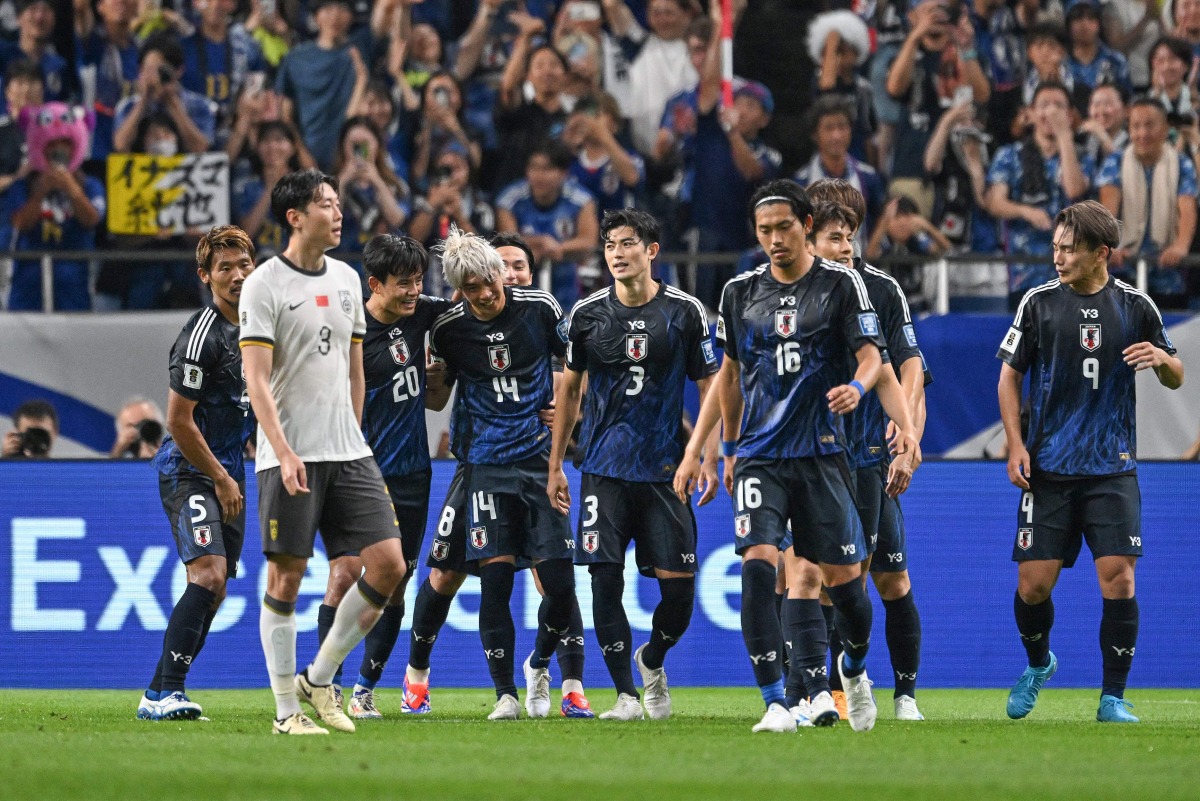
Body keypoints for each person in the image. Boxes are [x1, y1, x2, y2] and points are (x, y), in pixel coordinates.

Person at [674, 179, 917, 734]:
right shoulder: (739, 292)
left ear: (805, 225)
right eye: (764, 231)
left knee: (850, 592)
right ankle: (779, 702)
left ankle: (852, 670)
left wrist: (864, 393)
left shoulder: (842, 287)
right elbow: (729, 376)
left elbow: (873, 357)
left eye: (784, 227)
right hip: (763, 454)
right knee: (762, 568)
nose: (775, 239)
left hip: (824, 455)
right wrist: (708, 451)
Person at [996, 200, 1184, 723]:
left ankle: (1112, 697)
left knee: (1118, 578)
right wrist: (1016, 444)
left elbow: (1177, 373)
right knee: (1033, 587)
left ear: (1101, 253)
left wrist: (1162, 360)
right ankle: (1039, 664)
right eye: (1055, 247)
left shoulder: (1135, 306)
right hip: (1049, 470)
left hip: (1112, 467)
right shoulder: (1036, 304)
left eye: (1068, 249)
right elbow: (1009, 376)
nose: (1057, 256)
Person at [240, 168, 407, 735]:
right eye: (327, 205)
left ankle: (320, 677)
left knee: (389, 565)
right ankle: (288, 711)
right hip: (289, 454)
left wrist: (354, 433)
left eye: (338, 204)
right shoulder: (264, 284)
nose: (339, 214)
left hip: (347, 451)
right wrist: (283, 451)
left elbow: (355, 370)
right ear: (295, 216)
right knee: (285, 579)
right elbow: (256, 380)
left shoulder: (346, 279)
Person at [402, 232, 591, 719]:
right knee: (465, 577)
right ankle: (492, 691)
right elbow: (437, 399)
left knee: (560, 584)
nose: (485, 292)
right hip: (480, 465)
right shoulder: (447, 328)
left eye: (490, 280)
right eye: (471, 287)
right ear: (457, 289)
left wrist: (565, 407)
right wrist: (429, 377)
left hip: (537, 464)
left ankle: (548, 670)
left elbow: (578, 365)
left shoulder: (541, 308)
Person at [547, 208, 718, 721]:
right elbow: (570, 391)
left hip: (666, 471)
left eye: (627, 244)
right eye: (610, 246)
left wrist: (706, 455)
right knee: (604, 580)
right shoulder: (586, 315)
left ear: (651, 251)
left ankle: (653, 658)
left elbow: (712, 389)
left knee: (679, 595)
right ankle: (624, 695)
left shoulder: (686, 313)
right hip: (602, 468)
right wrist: (556, 464)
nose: (617, 254)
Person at [805, 181, 932, 722]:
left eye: (852, 233)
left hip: (867, 461)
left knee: (891, 579)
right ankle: (830, 690)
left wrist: (908, 438)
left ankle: (905, 694)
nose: (848, 247)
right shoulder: (790, 295)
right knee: (825, 582)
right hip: (812, 460)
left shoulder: (882, 290)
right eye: (836, 235)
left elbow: (909, 368)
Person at [314, 234, 453, 720]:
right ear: (374, 284)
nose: (414, 291)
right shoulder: (348, 330)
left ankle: (365, 687)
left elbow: (473, 303)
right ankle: (323, 682)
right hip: (359, 474)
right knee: (346, 573)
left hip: (413, 472)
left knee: (396, 583)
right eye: (403, 283)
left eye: (418, 280)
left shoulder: (425, 313)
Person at [137, 226, 256, 722]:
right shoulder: (201, 336)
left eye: (243, 264)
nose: (237, 275)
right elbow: (178, 422)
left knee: (218, 583)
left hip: (230, 470)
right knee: (207, 574)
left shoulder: (259, 327)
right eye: (224, 268)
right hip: (191, 470)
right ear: (205, 276)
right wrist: (223, 479)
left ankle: (157, 692)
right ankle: (168, 693)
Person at [986, 80, 1096, 308]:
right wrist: (1025, 211)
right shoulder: (1009, 154)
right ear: (1031, 113)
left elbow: (1074, 189)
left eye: (1059, 106)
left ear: (1070, 114)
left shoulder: (1082, 155)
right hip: (1024, 276)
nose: (1051, 111)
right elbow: (995, 202)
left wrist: (1065, 136)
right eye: (1044, 105)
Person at [1097, 97, 1198, 308]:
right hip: (1123, 270)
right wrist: (1109, 244)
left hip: (1168, 273)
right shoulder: (1115, 161)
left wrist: (1180, 246)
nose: (1142, 133)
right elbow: (1108, 209)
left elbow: (1187, 207)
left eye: (1149, 125)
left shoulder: (1182, 163)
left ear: (1165, 129)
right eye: (1135, 126)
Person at [495, 140, 599, 309]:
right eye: (534, 168)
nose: (539, 175)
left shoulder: (581, 200)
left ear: (563, 173)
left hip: (567, 292)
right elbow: (507, 243)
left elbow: (589, 241)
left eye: (547, 169)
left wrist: (558, 248)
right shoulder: (509, 200)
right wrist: (540, 241)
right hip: (520, 294)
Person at [274, 0, 365, 170]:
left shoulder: (357, 54)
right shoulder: (296, 58)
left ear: (351, 16)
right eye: (328, 9)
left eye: (342, 8)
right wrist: (301, 154)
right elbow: (284, 115)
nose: (335, 16)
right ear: (316, 16)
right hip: (304, 159)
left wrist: (362, 78)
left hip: (347, 158)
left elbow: (356, 116)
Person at [112, 33, 218, 155]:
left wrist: (173, 104)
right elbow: (120, 145)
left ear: (178, 71)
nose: (154, 77)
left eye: (160, 70)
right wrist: (143, 101)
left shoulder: (200, 105)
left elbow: (201, 148)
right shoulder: (128, 106)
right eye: (148, 69)